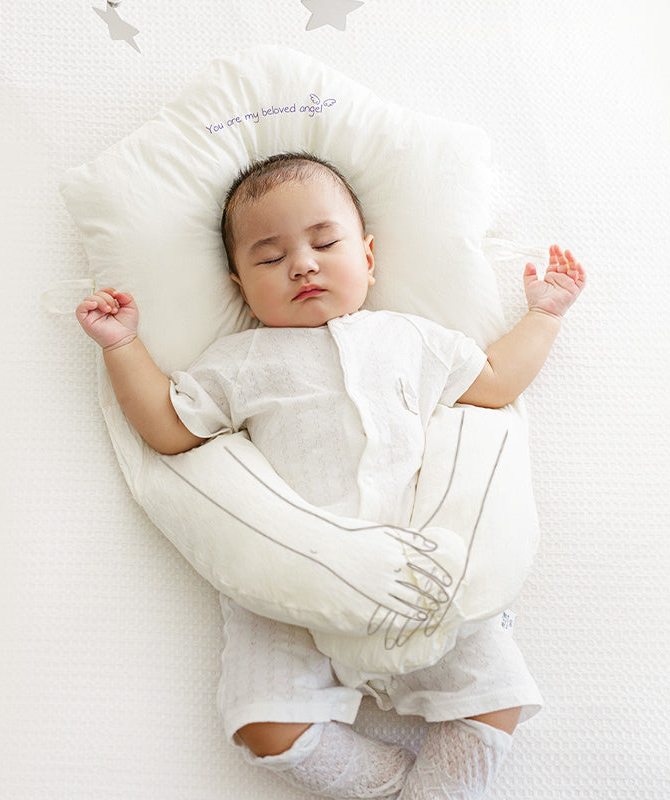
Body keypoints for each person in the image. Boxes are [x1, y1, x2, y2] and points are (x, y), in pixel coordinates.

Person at [76, 153, 586, 799]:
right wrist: (123, 346)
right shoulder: (239, 361)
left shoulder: (410, 338)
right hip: (296, 581)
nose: (302, 264)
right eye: (270, 257)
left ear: (368, 258)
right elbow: (170, 429)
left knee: (493, 700)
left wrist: (545, 315)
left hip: (416, 565)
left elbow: (493, 383)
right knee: (264, 727)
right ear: (239, 285)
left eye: (324, 243)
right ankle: (392, 784)